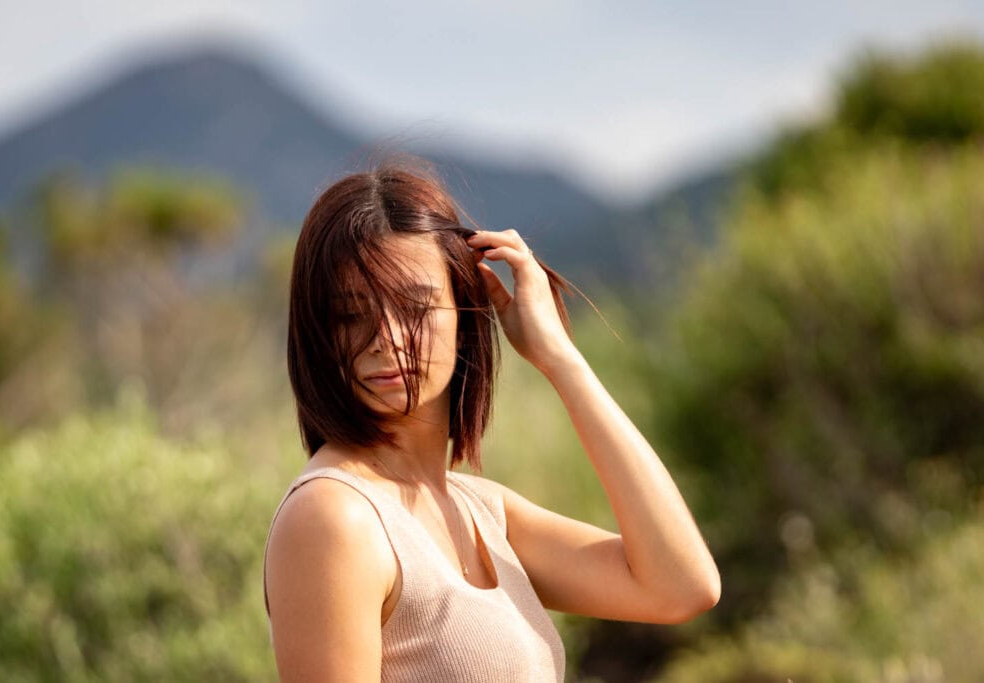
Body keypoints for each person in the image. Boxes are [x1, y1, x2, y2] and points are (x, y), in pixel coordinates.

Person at [262, 156, 720, 681]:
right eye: (350, 315)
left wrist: (561, 359)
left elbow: (681, 587)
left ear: (465, 310)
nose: (386, 340)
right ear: (318, 333)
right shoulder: (334, 517)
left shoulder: (482, 510)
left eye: (414, 307)